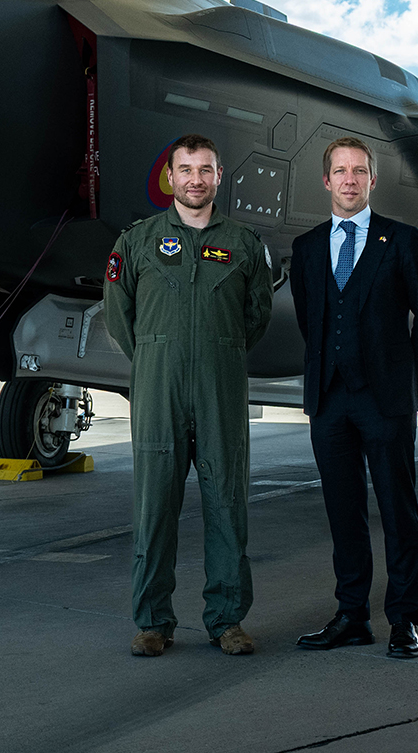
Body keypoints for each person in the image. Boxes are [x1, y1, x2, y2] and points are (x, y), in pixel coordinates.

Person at [103, 134, 275, 657]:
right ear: (170, 177)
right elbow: (119, 316)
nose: (195, 179)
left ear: (219, 177)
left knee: (227, 505)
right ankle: (153, 622)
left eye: (205, 170)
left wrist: (218, 351)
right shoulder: (137, 242)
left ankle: (227, 621)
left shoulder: (245, 243)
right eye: (186, 169)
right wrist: (157, 354)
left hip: (221, 389)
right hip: (159, 390)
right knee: (154, 509)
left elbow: (257, 315)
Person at [289, 137, 418, 659]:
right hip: (329, 400)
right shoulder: (308, 247)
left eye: (359, 171)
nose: (350, 179)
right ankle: (352, 615)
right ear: (326, 181)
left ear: (372, 180)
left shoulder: (401, 240)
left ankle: (404, 619)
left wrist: (411, 377)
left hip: (387, 399)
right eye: (340, 171)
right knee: (343, 511)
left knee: (398, 510)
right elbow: (311, 317)